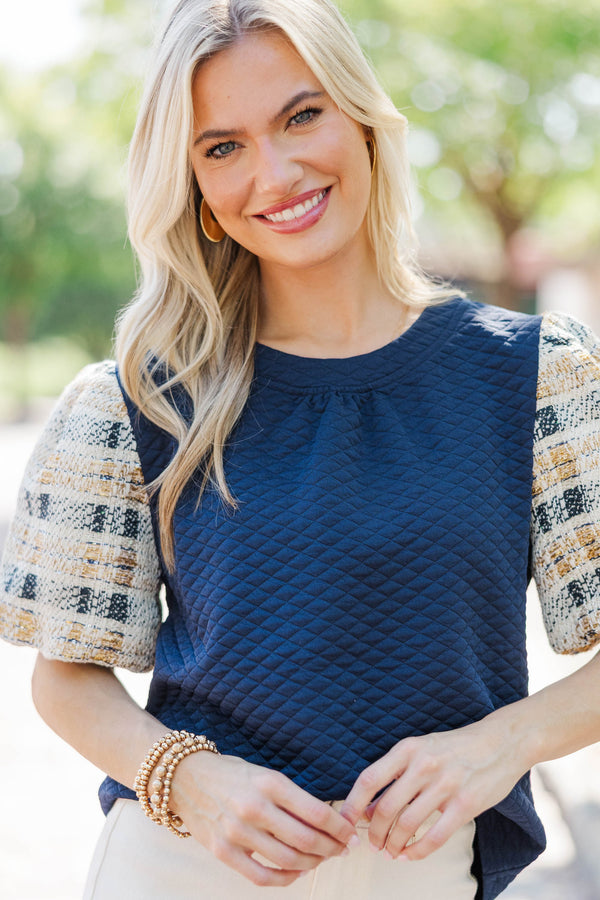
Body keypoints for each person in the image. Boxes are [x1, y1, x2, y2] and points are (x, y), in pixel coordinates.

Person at [1, 0, 599, 897]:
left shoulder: (540, 377)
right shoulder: (139, 399)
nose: (274, 173)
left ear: (362, 120)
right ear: (195, 187)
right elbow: (65, 680)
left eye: (301, 115)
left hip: (425, 876)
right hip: (181, 868)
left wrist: (500, 744)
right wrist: (189, 781)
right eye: (222, 147)